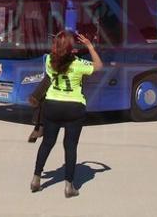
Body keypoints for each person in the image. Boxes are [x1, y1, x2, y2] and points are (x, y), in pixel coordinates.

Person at [31, 31, 102, 198]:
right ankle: (69, 186)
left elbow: (58, 57)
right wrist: (89, 46)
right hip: (74, 107)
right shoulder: (78, 64)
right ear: (72, 49)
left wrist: (65, 50)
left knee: (47, 143)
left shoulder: (49, 60)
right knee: (70, 146)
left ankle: (36, 178)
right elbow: (98, 65)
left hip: (52, 105)